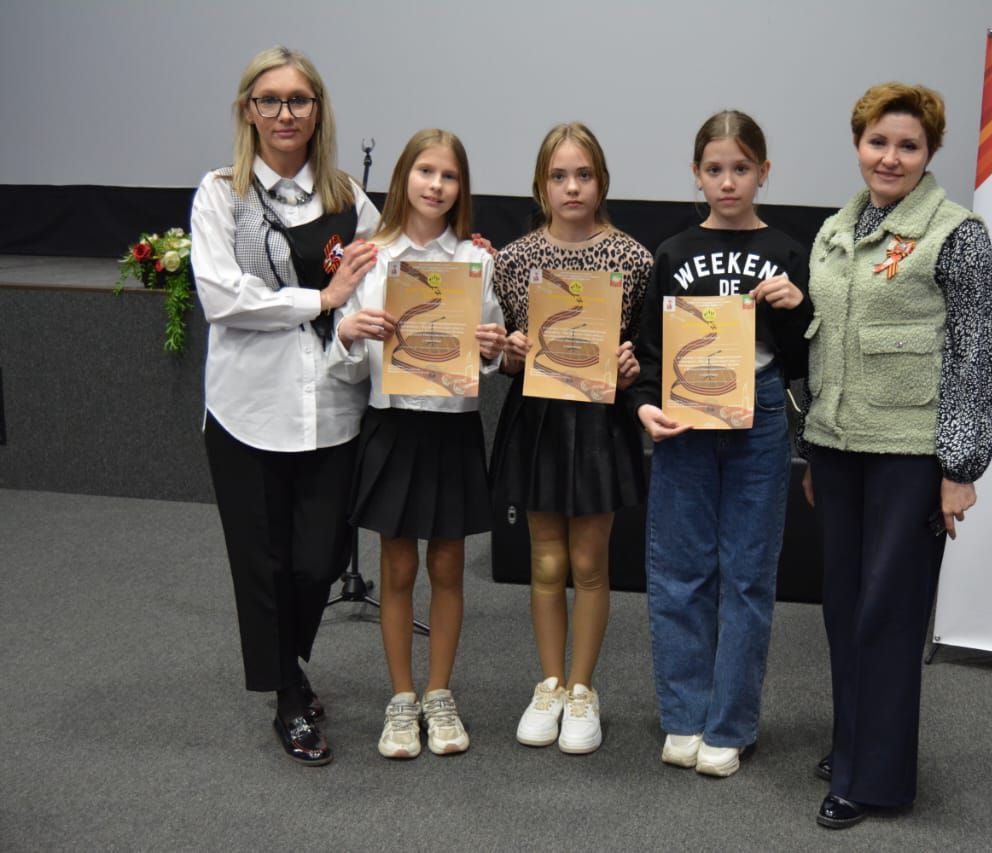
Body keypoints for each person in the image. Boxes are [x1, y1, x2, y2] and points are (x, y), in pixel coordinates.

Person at [799, 82, 992, 827]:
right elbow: (821, 345)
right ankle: (854, 740)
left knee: (888, 613)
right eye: (877, 142)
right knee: (844, 608)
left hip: (911, 455)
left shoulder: (958, 233)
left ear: (930, 152)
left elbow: (974, 354)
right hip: (838, 446)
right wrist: (811, 446)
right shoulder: (833, 231)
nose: (890, 157)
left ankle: (875, 780)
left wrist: (959, 468)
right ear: (858, 145)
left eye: (908, 145)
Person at [190, 46, 380, 765]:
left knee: (318, 562)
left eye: (298, 99)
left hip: (332, 409)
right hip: (248, 412)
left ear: (317, 111)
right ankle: (288, 695)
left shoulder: (347, 198)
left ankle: (287, 669)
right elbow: (222, 297)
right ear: (248, 110)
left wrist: (460, 257)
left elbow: (384, 272)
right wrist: (320, 299)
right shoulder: (221, 194)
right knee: (264, 567)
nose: (284, 113)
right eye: (268, 100)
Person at [633, 110, 813, 777]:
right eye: (715, 169)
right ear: (696, 174)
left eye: (741, 168)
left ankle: (731, 724)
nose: (728, 181)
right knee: (679, 567)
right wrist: (643, 404)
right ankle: (684, 713)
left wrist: (797, 307)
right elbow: (648, 352)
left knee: (747, 571)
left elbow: (801, 358)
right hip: (685, 410)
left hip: (759, 410)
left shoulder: (788, 252)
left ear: (764, 172)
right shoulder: (673, 252)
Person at [328, 129, 506, 759]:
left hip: (452, 429)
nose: (436, 185)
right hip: (393, 426)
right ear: (403, 176)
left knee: (449, 567)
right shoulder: (370, 257)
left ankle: (439, 693)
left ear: (462, 188)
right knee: (398, 568)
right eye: (426, 171)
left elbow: (490, 355)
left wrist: (491, 349)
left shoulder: (477, 261)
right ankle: (401, 698)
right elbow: (345, 367)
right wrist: (350, 332)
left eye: (449, 176)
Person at [491, 122, 651, 755]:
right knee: (546, 561)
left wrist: (634, 368)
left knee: (588, 563)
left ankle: (583, 689)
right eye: (559, 176)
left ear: (601, 181)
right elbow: (506, 356)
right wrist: (509, 354)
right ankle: (550, 684)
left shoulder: (634, 260)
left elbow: (645, 356)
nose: (572, 187)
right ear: (541, 185)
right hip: (539, 421)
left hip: (599, 423)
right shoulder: (512, 261)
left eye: (584, 175)